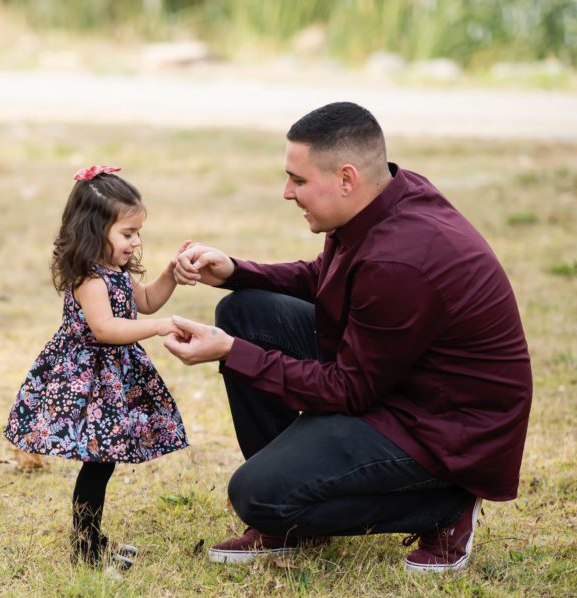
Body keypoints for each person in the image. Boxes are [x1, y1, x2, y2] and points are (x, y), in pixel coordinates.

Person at [164, 102, 533, 572]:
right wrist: (238, 271)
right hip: (399, 379)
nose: (286, 192)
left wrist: (232, 352)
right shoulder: (385, 198)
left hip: (445, 426)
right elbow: (328, 277)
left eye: (298, 180)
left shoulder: (400, 259)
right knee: (246, 311)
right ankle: (296, 504)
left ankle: (444, 507)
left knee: (254, 495)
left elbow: (348, 389)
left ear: (346, 178)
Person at [4, 165, 189, 570]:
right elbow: (104, 329)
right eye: (127, 233)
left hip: (113, 379)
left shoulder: (118, 272)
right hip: (88, 379)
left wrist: (171, 274)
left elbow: (148, 301)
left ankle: (90, 537)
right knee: (98, 460)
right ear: (94, 229)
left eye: (138, 233)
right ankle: (85, 544)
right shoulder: (89, 279)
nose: (136, 241)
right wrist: (156, 328)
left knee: (104, 460)